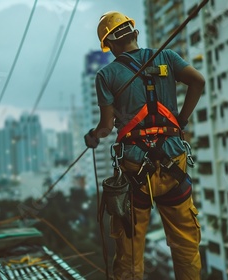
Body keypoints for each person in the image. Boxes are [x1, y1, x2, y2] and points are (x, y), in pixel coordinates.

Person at [84, 11, 205, 280]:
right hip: (174, 165)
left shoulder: (107, 75)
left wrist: (93, 136)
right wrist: (181, 120)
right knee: (186, 244)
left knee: (129, 251)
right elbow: (198, 81)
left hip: (136, 172)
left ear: (111, 44)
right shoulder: (167, 57)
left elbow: (106, 126)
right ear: (134, 33)